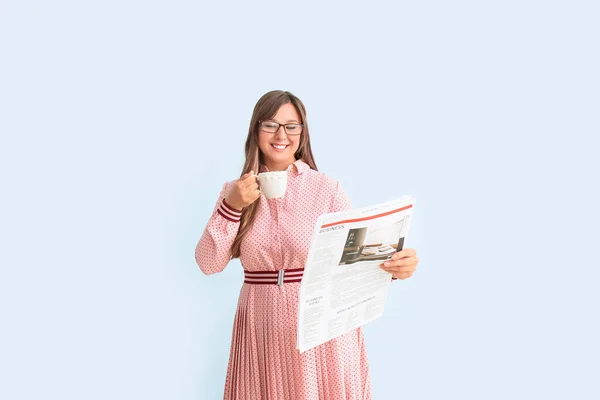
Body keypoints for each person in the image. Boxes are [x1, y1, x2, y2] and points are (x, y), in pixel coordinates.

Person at [195, 90, 419, 399]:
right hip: (261, 325)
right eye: (270, 124)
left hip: (321, 328)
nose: (281, 134)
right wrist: (231, 207)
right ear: (255, 130)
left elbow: (354, 257)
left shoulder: (326, 188)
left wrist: (395, 267)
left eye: (292, 126)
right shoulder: (234, 192)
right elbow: (208, 263)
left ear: (303, 133)